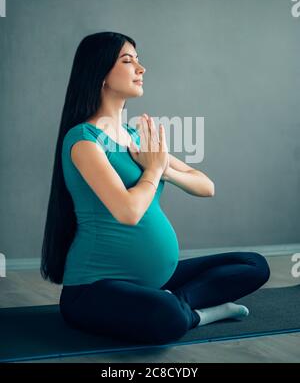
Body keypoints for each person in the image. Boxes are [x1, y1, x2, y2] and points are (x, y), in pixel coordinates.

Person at [40, 32, 270, 345]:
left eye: (137, 59)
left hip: (154, 281)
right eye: (127, 60)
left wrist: (164, 170)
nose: (141, 68)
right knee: (167, 317)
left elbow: (206, 186)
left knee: (254, 265)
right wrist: (153, 169)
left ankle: (176, 300)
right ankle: (198, 313)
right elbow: (128, 211)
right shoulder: (84, 141)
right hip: (93, 290)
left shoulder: (137, 137)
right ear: (100, 74)